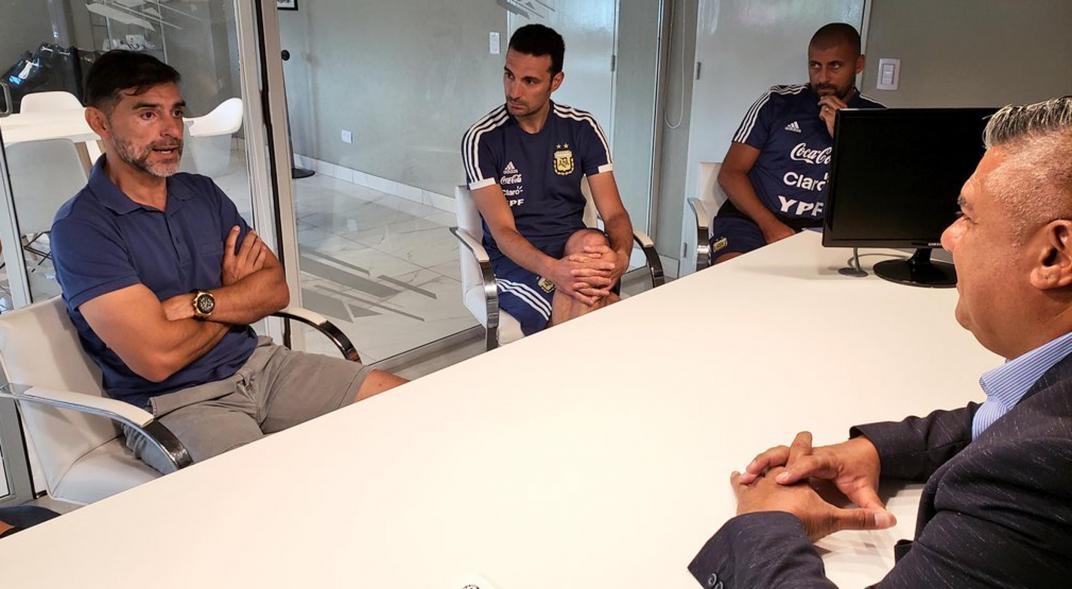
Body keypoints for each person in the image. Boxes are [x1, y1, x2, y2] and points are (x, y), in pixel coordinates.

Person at [689, 96, 1072, 587]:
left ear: (1054, 256)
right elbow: (1005, 417)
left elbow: (1028, 444)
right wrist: (876, 450)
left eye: (968, 217)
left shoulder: (1041, 467)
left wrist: (765, 521)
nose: (948, 236)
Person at [50, 50, 406, 474]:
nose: (171, 130)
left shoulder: (201, 193)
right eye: (147, 114)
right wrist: (233, 297)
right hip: (178, 403)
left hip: (262, 365)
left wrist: (197, 302)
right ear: (100, 123)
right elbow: (157, 359)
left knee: (409, 402)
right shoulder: (82, 228)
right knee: (269, 489)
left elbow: (275, 289)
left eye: (176, 112)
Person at [460, 24, 635, 335]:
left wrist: (621, 257)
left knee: (594, 245)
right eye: (509, 75)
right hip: (516, 259)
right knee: (583, 296)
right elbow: (503, 233)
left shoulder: (582, 128)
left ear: (556, 81)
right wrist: (557, 271)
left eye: (530, 81)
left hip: (570, 244)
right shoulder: (482, 139)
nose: (514, 91)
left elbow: (614, 214)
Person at [711, 23, 883, 263]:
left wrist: (844, 135)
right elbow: (730, 173)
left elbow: (876, 192)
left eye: (835, 66)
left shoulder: (875, 118)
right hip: (753, 220)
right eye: (815, 65)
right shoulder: (777, 102)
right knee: (730, 276)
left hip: (824, 230)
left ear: (858, 64)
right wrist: (770, 225)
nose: (823, 77)